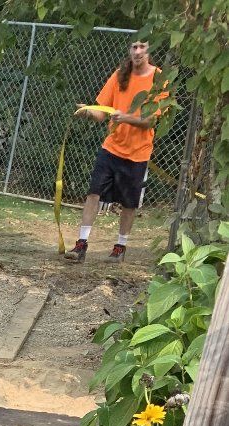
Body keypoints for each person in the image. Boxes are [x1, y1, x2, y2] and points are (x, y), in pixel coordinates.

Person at [63, 38, 167, 262]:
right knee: (93, 193)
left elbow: (150, 121)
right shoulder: (120, 74)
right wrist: (89, 111)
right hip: (111, 148)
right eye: (134, 47)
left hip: (138, 153)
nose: (137, 51)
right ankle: (81, 244)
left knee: (129, 204)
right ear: (129, 50)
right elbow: (102, 113)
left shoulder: (159, 79)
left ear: (150, 51)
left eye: (142, 47)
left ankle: (120, 247)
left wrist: (126, 117)